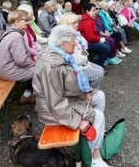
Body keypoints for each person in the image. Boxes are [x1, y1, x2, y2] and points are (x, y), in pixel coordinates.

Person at [32, 25, 112, 167]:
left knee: (99, 95)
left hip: (65, 98)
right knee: (99, 116)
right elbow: (55, 103)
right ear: (62, 44)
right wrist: (77, 121)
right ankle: (95, 158)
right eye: (73, 41)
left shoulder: (59, 54)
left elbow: (67, 84)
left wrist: (87, 91)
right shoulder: (51, 65)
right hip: (53, 110)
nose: (75, 43)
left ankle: (94, 138)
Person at [0, 10, 35, 104]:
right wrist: (35, 63)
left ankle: (27, 95)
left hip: (4, 69)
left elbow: (22, 55)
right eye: (25, 20)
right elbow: (21, 61)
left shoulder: (9, 32)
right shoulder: (16, 36)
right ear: (17, 21)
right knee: (43, 71)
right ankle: (42, 103)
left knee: (38, 68)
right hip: (9, 71)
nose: (27, 22)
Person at [58, 13, 104, 87]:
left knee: (101, 69)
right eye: (74, 23)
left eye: (77, 22)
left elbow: (83, 47)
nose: (77, 24)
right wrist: (84, 55)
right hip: (73, 67)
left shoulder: (75, 33)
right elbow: (77, 59)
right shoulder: (66, 38)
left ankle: (90, 89)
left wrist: (83, 54)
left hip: (81, 61)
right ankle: (88, 92)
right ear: (66, 24)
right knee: (98, 74)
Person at [78, 3, 111, 72]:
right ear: (87, 11)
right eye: (93, 10)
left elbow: (94, 33)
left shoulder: (90, 19)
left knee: (107, 43)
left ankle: (101, 63)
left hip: (90, 41)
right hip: (87, 44)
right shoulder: (86, 21)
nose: (95, 11)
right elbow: (90, 37)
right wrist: (99, 39)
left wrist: (100, 39)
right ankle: (98, 66)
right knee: (106, 48)